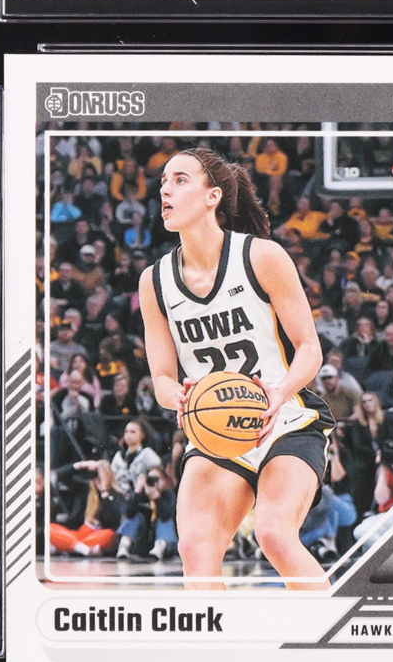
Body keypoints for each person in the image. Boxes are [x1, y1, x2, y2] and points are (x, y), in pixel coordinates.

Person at [139, 146, 334, 590]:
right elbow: (162, 379)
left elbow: (310, 349)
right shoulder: (154, 281)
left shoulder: (262, 256)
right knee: (195, 550)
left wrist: (280, 392)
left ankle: (333, 630)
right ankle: (217, 637)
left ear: (213, 197)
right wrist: (180, 397)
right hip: (216, 429)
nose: (166, 189)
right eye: (164, 181)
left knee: (274, 534)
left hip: (284, 419)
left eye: (180, 180)